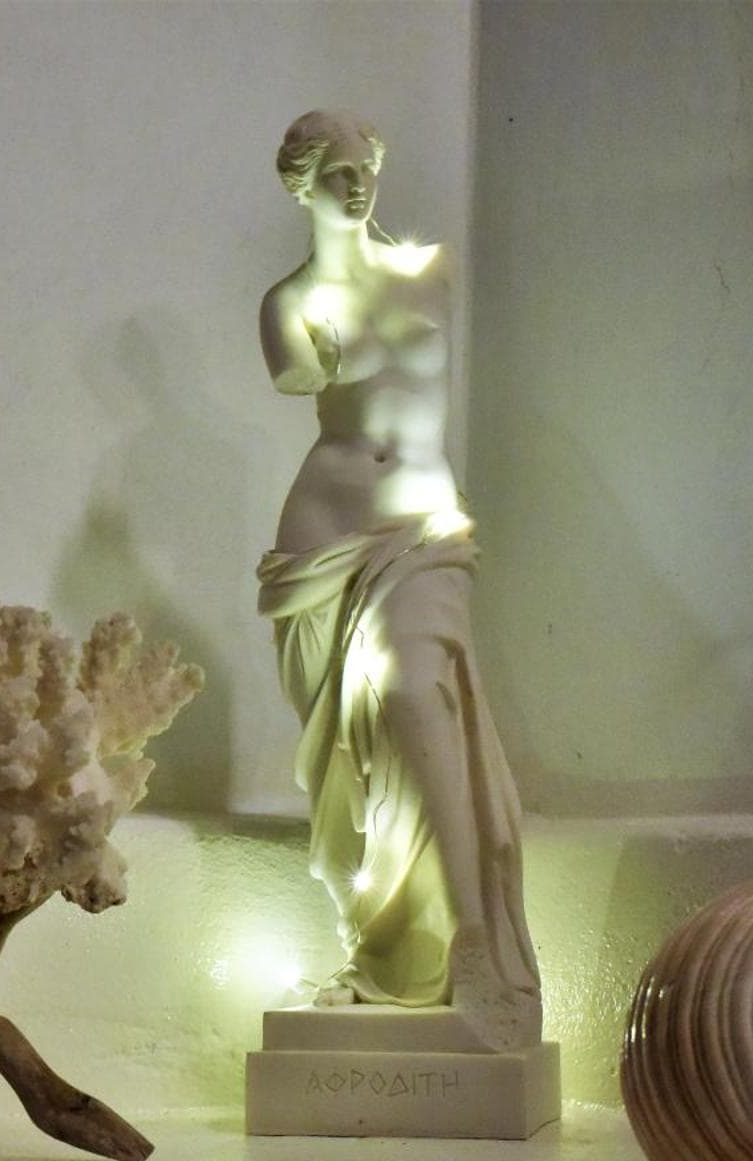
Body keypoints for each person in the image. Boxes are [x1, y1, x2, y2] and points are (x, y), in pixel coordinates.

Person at [256, 109, 540, 1051]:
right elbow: (296, 375)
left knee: (417, 694)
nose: (358, 184)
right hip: (323, 541)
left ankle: (472, 936)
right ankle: (377, 946)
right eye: (337, 172)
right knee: (349, 760)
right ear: (303, 184)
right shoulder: (289, 302)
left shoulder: (431, 271)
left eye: (365, 166)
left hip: (420, 528)